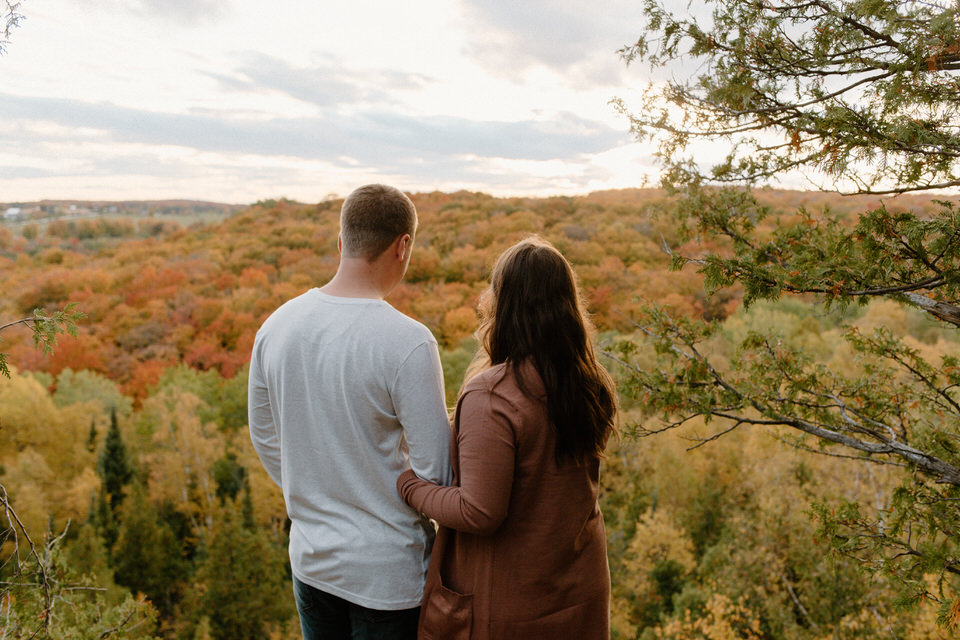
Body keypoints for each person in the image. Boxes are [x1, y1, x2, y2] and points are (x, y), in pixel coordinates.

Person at [248, 184, 453, 640]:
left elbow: (264, 436)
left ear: (341, 241)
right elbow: (435, 471)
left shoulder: (277, 326)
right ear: (404, 246)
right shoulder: (408, 341)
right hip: (389, 573)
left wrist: (318, 491)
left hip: (312, 560)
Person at [397, 236, 618, 640]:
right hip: (577, 587)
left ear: (509, 304)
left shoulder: (493, 394)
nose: (485, 297)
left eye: (493, 288)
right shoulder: (588, 382)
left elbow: (478, 512)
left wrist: (409, 486)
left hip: (512, 603)